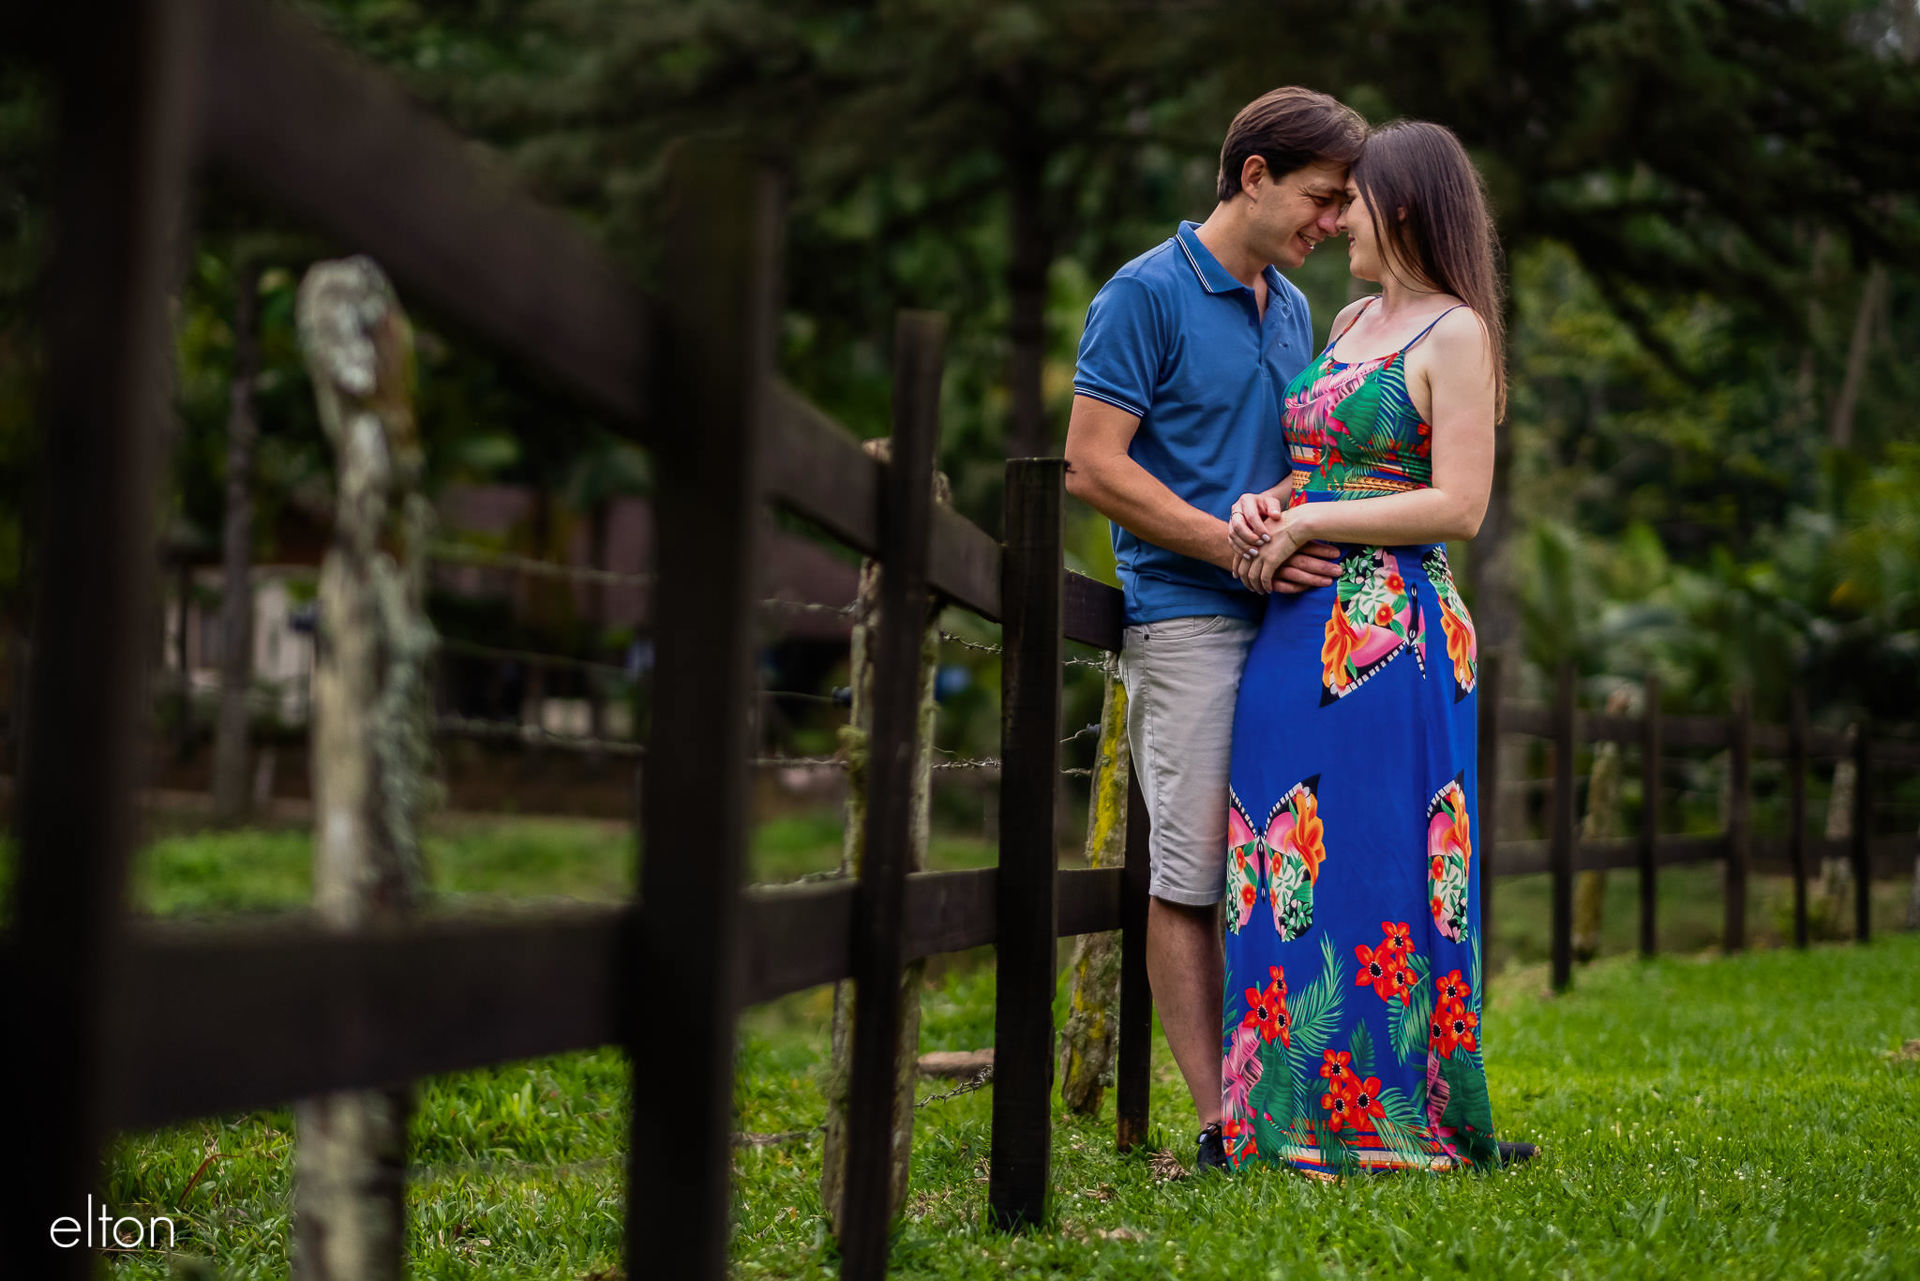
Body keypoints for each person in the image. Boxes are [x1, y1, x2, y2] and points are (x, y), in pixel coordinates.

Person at [1217, 119, 1533, 1175]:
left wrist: (1313, 525)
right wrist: (1274, 504)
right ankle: (1280, 1109)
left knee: (1382, 856)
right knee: (1276, 851)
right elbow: (1316, 458)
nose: (1336, 215)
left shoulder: (1455, 333)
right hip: (1295, 631)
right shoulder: (1349, 318)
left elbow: (1461, 505)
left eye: (1353, 199)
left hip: (1392, 637)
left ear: (1398, 207)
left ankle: (1390, 1117)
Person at [1063, 86, 1364, 1174]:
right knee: (1189, 875)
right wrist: (1227, 546)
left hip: (1293, 626)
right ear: (1253, 175)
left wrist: (1286, 511)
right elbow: (1092, 464)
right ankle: (1219, 1124)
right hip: (1188, 622)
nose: (1333, 224)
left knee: (1282, 871)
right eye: (1322, 199)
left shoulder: (1288, 308)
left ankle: (1292, 1099)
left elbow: (1271, 458)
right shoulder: (1142, 293)